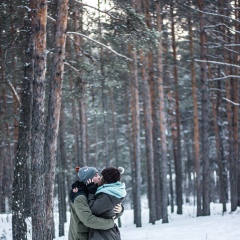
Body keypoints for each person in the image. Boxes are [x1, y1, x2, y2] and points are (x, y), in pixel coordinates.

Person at [68, 166, 122, 240]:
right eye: (96, 175)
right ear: (88, 179)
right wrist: (110, 223)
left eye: (99, 175)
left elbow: (106, 211)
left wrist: (120, 210)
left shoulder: (94, 191)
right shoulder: (80, 197)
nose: (100, 177)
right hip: (81, 237)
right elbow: (89, 220)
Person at [87, 166, 127, 240]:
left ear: (106, 181)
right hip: (106, 233)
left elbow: (92, 210)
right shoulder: (111, 191)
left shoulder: (108, 195)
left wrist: (91, 192)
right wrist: (121, 210)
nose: (100, 178)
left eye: (102, 176)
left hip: (104, 235)